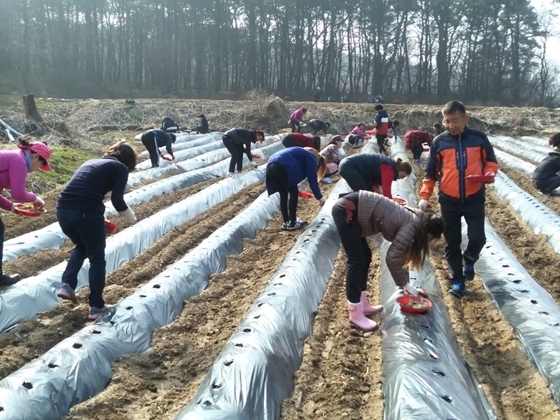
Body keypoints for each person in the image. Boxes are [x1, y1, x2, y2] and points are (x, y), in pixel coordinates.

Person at [418, 100, 498, 298]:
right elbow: (431, 172)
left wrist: (488, 174)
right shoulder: (439, 142)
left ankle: (469, 258)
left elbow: (491, 161)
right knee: (451, 242)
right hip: (449, 200)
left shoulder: (479, 139)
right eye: (447, 122)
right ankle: (458, 282)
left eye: (454, 121)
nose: (450, 126)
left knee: (478, 237)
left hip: (474, 197)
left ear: (465, 118)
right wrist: (425, 196)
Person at [332, 191, 444, 330]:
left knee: (365, 255)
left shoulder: (417, 218)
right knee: (356, 260)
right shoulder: (412, 225)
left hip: (355, 209)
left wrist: (408, 285)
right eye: (431, 238)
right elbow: (392, 257)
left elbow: (400, 254)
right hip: (347, 210)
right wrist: (406, 286)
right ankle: (355, 312)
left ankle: (362, 303)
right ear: (428, 232)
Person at [56, 141, 137, 321]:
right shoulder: (120, 168)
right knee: (97, 259)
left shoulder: (91, 162)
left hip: (63, 210)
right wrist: (132, 218)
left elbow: (83, 192)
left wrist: (99, 218)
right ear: (129, 161)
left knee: (83, 246)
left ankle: (67, 284)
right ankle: (97, 306)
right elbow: (117, 200)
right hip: (86, 213)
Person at [0, 139, 51, 286]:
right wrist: (37, 199)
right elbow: (18, 193)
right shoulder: (19, 161)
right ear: (35, 156)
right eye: (41, 164)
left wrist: (11, 207)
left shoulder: (14, 157)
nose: (39, 168)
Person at [266, 147, 326, 230]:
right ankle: (293, 222)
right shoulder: (312, 156)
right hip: (282, 166)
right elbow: (312, 179)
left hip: (270, 164)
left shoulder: (301, 153)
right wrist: (320, 198)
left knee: (283, 193)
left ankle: (286, 221)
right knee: (293, 192)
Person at [339, 153, 412, 199]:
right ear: (400, 169)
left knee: (367, 194)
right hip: (349, 167)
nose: (399, 178)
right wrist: (394, 206)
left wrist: (380, 193)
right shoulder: (389, 169)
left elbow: (372, 178)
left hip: (351, 166)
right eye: (401, 175)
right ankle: (344, 200)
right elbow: (387, 192)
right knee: (365, 195)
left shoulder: (390, 165)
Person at [531, 132, 560, 197]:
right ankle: (545, 191)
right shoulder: (557, 159)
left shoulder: (551, 157)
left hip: (535, 181)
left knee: (555, 175)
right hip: (539, 182)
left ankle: (545, 187)